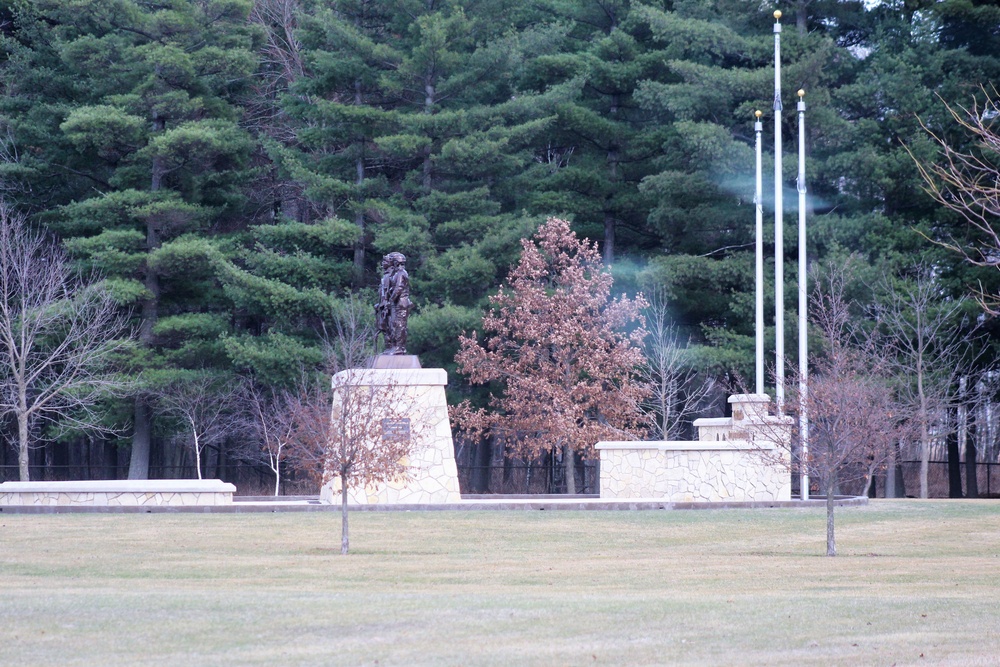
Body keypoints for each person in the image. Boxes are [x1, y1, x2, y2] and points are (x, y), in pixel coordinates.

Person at [375, 252, 410, 354]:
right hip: (396, 303)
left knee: (400, 325)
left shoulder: (401, 273)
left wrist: (390, 300)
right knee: (394, 325)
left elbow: (398, 288)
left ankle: (399, 347)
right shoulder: (397, 274)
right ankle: (395, 347)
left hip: (400, 303)